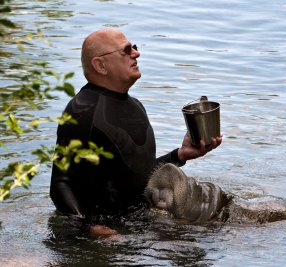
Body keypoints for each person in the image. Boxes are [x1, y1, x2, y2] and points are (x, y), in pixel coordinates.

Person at [49, 28, 222, 227]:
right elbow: (60, 185)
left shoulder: (135, 105)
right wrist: (90, 228)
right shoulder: (82, 111)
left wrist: (180, 155)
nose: (136, 53)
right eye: (126, 50)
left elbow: (135, 177)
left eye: (135, 47)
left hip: (141, 221)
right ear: (100, 65)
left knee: (228, 215)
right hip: (109, 233)